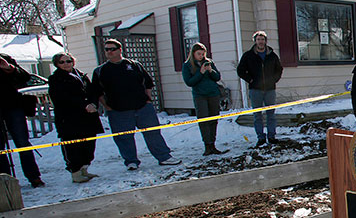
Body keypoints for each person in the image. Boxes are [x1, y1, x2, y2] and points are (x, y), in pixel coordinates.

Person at [90, 39, 181, 169]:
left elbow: (148, 82)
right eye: (107, 49)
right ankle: (131, 161)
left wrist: (148, 98)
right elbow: (97, 91)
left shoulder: (134, 65)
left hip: (143, 108)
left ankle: (164, 157)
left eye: (112, 49)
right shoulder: (101, 71)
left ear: (120, 50)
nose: (109, 52)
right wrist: (107, 106)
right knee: (124, 137)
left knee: (153, 133)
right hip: (118, 111)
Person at [48, 53, 104, 183]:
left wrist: (93, 103)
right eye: (62, 62)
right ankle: (76, 172)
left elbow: (92, 92)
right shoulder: (56, 79)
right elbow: (62, 98)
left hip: (88, 117)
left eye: (68, 61)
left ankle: (85, 168)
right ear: (57, 64)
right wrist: (84, 105)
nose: (66, 64)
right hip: (69, 119)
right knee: (73, 146)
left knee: (89, 145)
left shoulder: (81, 75)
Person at [0, 52, 45, 187]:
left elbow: (25, 77)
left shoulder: (4, 58)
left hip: (13, 107)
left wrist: (9, 68)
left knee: (22, 143)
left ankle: (34, 176)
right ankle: (5, 180)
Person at [237, 31, 283, 146]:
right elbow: (240, 71)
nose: (260, 42)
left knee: (271, 114)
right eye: (258, 39)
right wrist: (250, 80)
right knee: (257, 115)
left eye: (262, 39)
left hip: (270, 89)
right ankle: (260, 137)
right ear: (255, 41)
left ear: (265, 41)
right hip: (255, 90)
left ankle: (271, 136)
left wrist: (274, 80)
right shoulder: (248, 55)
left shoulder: (272, 55)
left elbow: (279, 69)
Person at [182, 42, 227, 156]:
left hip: (213, 94)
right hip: (200, 96)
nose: (201, 56)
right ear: (193, 54)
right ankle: (207, 145)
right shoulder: (187, 66)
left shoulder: (209, 62)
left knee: (213, 119)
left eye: (203, 54)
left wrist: (210, 70)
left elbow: (217, 77)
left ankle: (213, 144)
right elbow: (189, 82)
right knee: (204, 120)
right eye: (199, 54)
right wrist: (200, 73)